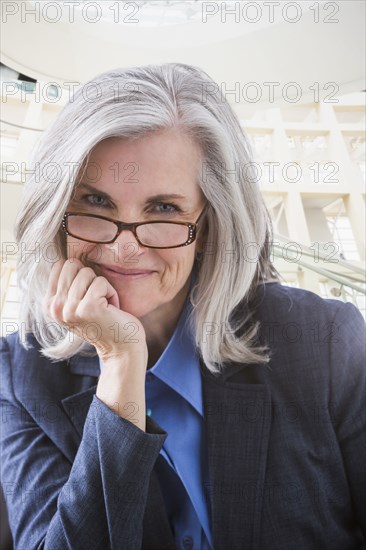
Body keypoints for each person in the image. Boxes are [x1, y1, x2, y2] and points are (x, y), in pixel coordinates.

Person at [0, 63, 365, 550]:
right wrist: (120, 365)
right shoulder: (19, 374)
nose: (123, 249)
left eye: (164, 210)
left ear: (211, 222)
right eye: (95, 202)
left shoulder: (327, 340)